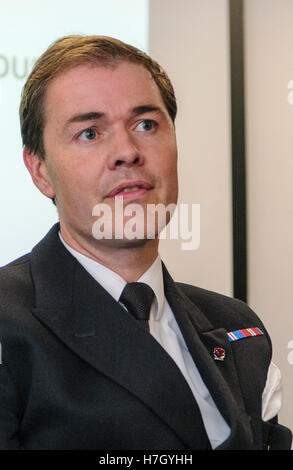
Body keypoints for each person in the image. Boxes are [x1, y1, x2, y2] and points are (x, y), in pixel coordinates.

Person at [0, 35, 291, 451]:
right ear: (40, 170)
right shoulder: (8, 321)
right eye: (89, 133)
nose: (127, 151)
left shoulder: (238, 327)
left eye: (146, 125)